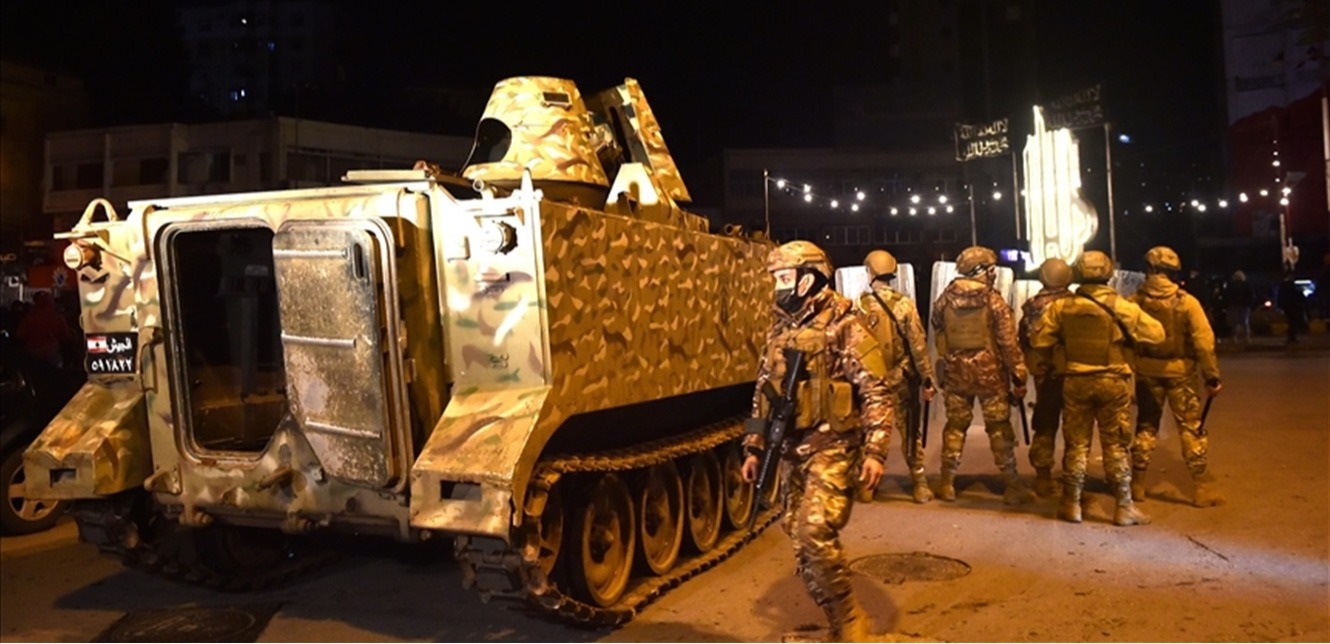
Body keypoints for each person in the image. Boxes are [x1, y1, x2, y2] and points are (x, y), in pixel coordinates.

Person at [740, 240, 893, 642]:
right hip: (792, 449)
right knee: (798, 535)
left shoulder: (845, 324)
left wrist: (875, 451)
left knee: (814, 530)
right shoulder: (780, 328)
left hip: (834, 447)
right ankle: (836, 615)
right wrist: (754, 446)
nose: (777, 286)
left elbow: (876, 391)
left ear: (807, 280)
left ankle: (850, 620)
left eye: (783, 278)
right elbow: (762, 391)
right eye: (775, 278)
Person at [1029, 251, 1164, 526]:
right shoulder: (1122, 306)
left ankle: (1071, 504)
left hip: (1075, 380)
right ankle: (1123, 507)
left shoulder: (1062, 307)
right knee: (1115, 445)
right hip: (1113, 382)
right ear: (1108, 273)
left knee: (1076, 445)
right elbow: (1157, 334)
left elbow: (1039, 340)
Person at [931, 245, 1034, 505]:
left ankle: (947, 483)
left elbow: (938, 326)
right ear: (982, 271)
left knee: (955, 426)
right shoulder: (994, 301)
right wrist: (1019, 375)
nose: (993, 274)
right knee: (999, 428)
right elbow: (1008, 343)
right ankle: (1012, 486)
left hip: (956, 374)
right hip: (991, 377)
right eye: (991, 269)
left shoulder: (945, 299)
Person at [1129, 246, 1223, 508]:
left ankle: (1137, 484)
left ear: (1149, 269)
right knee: (1191, 428)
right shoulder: (1187, 302)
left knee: (1146, 426)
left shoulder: (1134, 302)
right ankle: (1201, 488)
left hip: (1146, 372)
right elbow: (1204, 342)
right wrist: (1212, 377)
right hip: (1181, 373)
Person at [856, 249, 937, 503]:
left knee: (870, 432)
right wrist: (927, 379)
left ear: (870, 272)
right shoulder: (903, 305)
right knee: (910, 432)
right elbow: (918, 346)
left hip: (870, 382)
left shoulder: (858, 306)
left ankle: (866, 486)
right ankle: (920, 484)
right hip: (900, 379)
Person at [1018, 258, 1074, 498]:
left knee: (1045, 423)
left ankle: (1042, 478)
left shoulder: (1032, 306)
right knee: (1074, 426)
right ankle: (1073, 477)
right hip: (1072, 371)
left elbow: (1024, 339)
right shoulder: (1076, 303)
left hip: (1043, 372)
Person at [15, 292, 74, 368]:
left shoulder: (29, 318)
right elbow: (66, 337)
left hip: (33, 355)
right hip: (52, 354)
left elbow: (20, 336)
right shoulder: (57, 318)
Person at [1222, 270, 1253, 345]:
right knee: (1244, 322)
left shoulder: (1231, 285)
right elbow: (1251, 295)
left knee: (1235, 322)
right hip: (1243, 305)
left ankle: (1236, 337)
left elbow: (1227, 295)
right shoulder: (1246, 284)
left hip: (1236, 305)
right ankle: (1246, 337)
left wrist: (1228, 304)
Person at [1277, 273, 1308, 344]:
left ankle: (1291, 336)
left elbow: (1280, 297)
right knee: (1293, 322)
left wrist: (1280, 306)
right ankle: (1291, 337)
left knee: (1291, 321)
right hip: (1293, 306)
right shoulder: (1291, 286)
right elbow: (1298, 295)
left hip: (1288, 306)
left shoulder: (1283, 286)